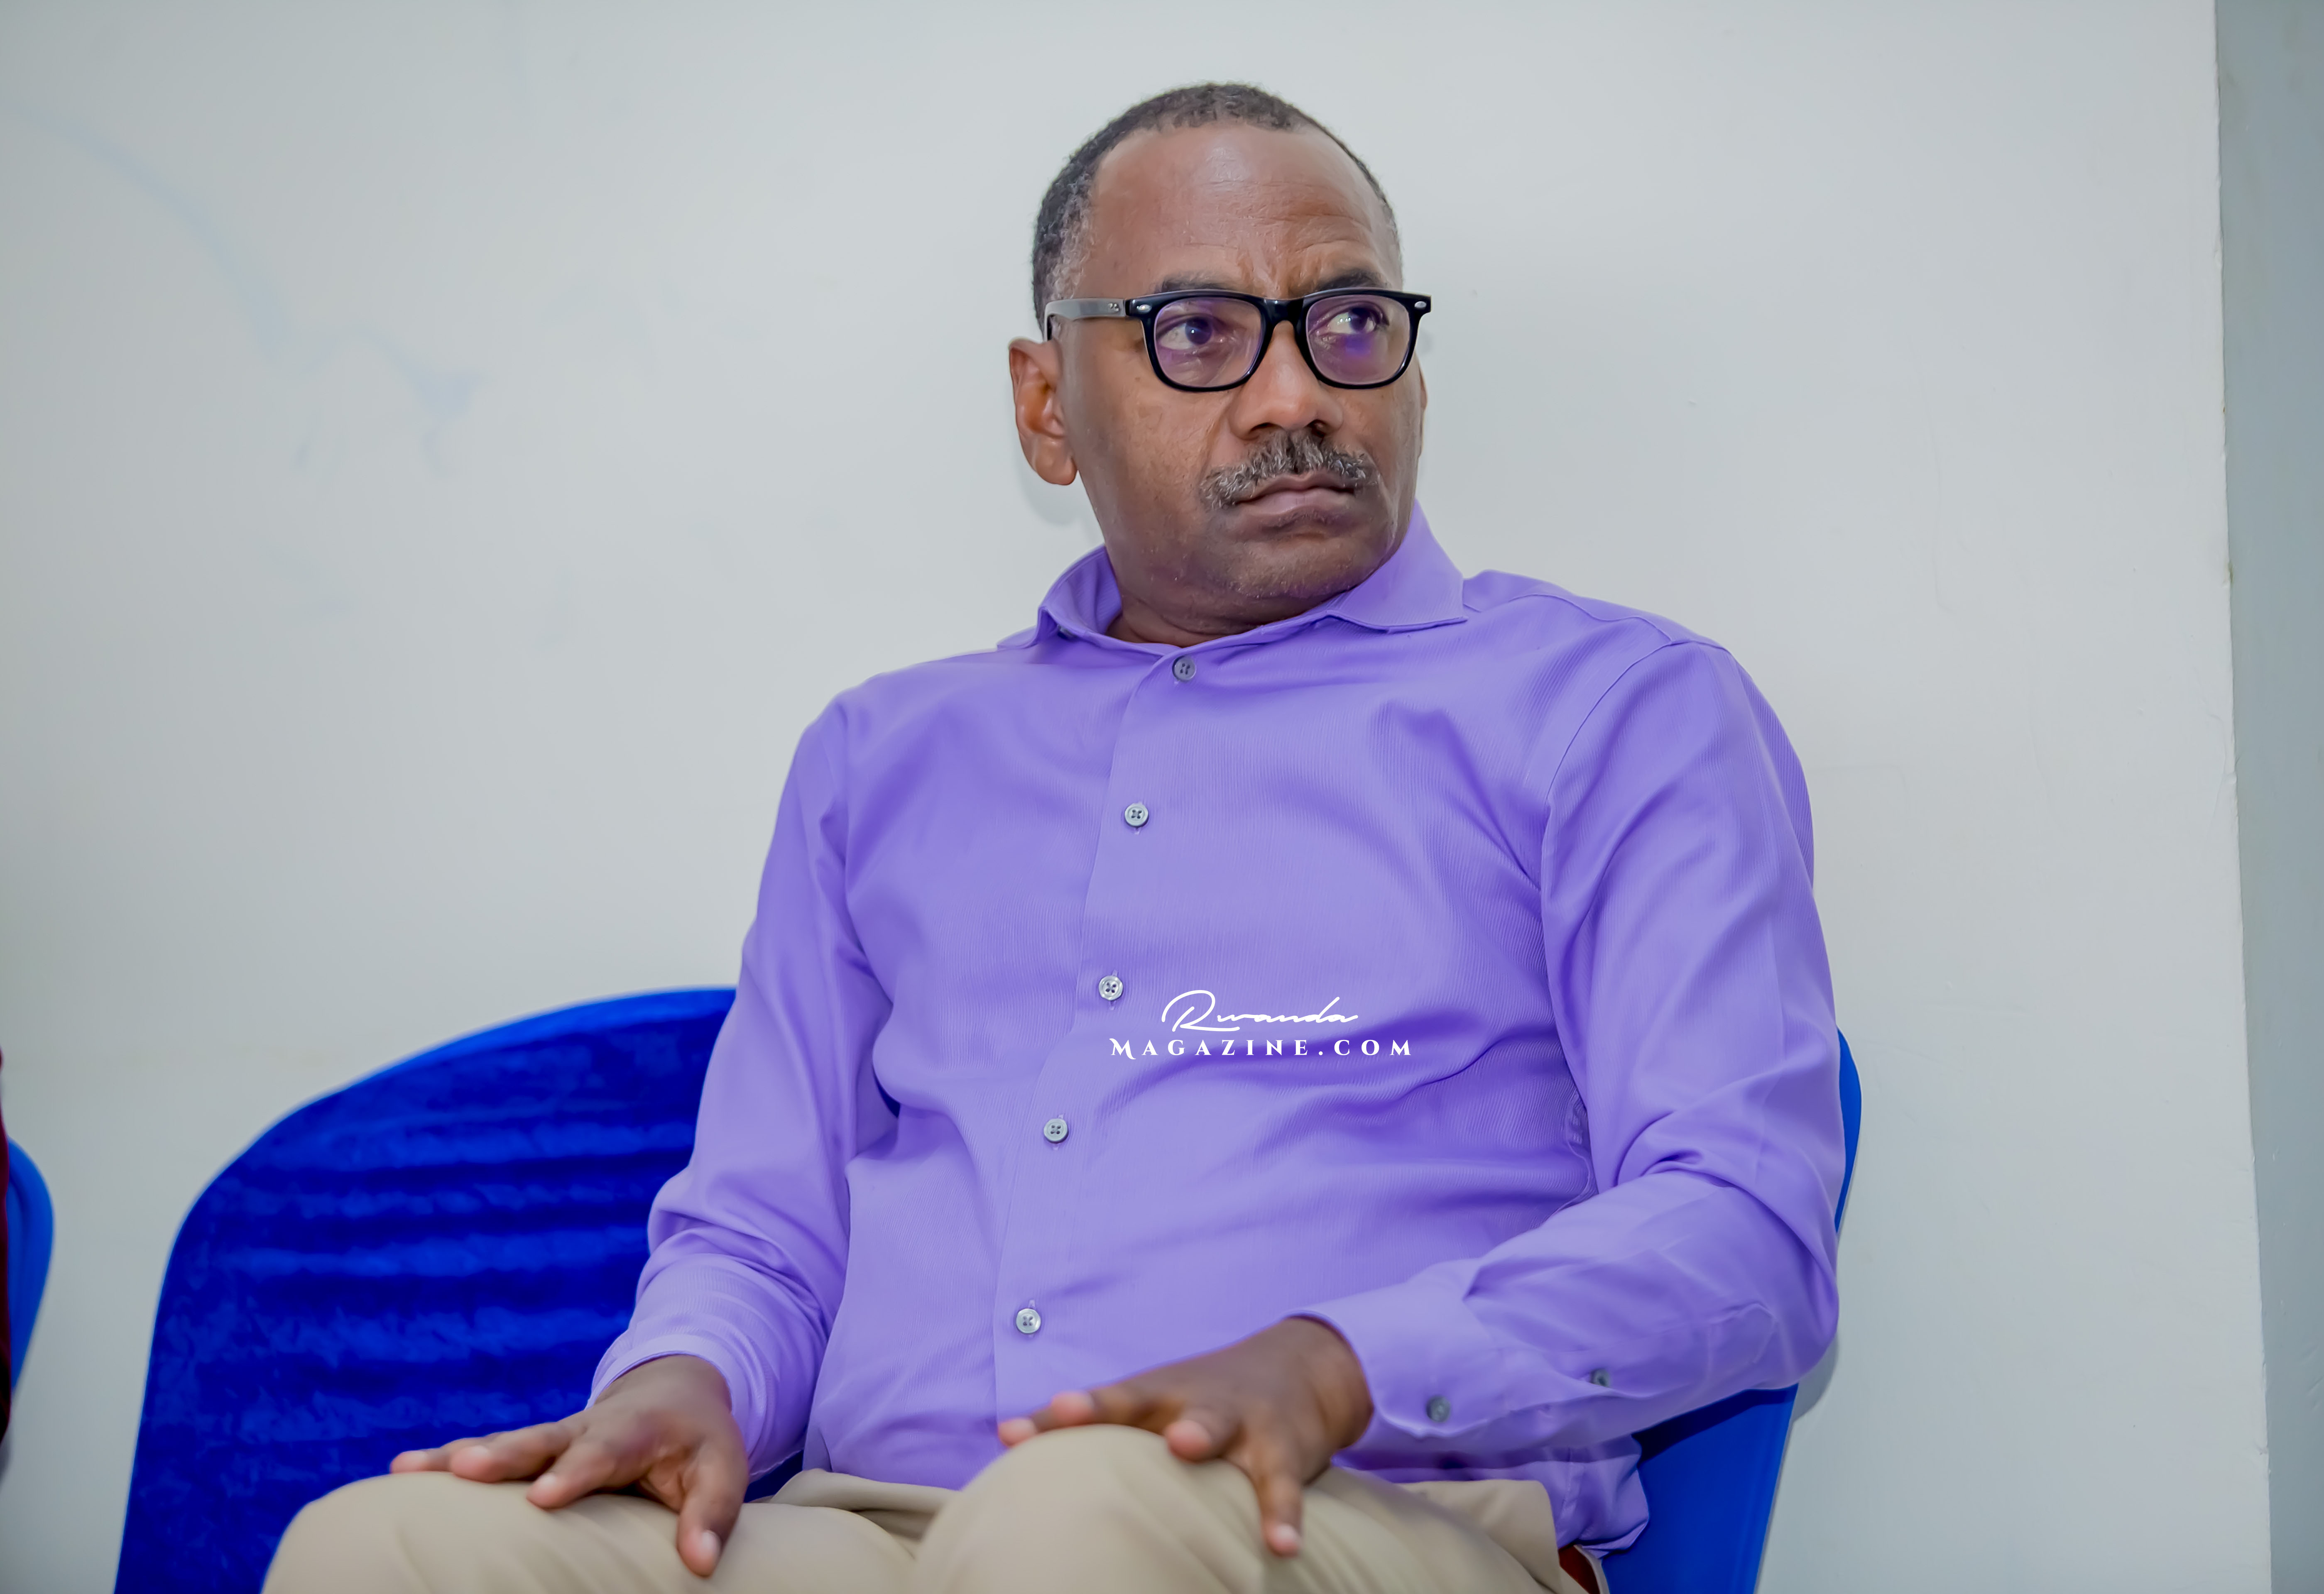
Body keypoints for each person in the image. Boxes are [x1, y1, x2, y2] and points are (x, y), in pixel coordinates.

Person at [267, 82, 1843, 1594]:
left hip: (1362, 1523)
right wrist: (688, 1377)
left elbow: (1746, 1227)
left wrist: (1343, 1364)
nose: (1295, 396)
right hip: (874, 1534)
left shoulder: (1613, 709)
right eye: (1200, 333)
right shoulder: (883, 759)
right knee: (384, 1553)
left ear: (1413, 377)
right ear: (1045, 407)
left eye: (1351, 323)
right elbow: (766, 1229)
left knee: (1073, 1521)